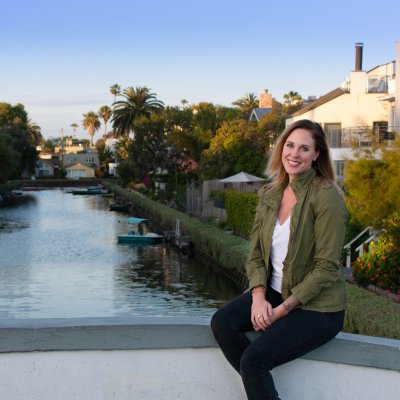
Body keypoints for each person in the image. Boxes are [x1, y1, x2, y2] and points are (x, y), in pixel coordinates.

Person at [211, 119, 347, 400]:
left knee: (254, 361)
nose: (294, 154)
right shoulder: (269, 194)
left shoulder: (326, 197)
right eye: (290, 145)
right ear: (282, 148)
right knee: (222, 323)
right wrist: (258, 296)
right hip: (273, 292)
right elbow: (256, 255)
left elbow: (326, 268)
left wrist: (281, 311)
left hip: (319, 307)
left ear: (316, 155)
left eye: (304, 148)